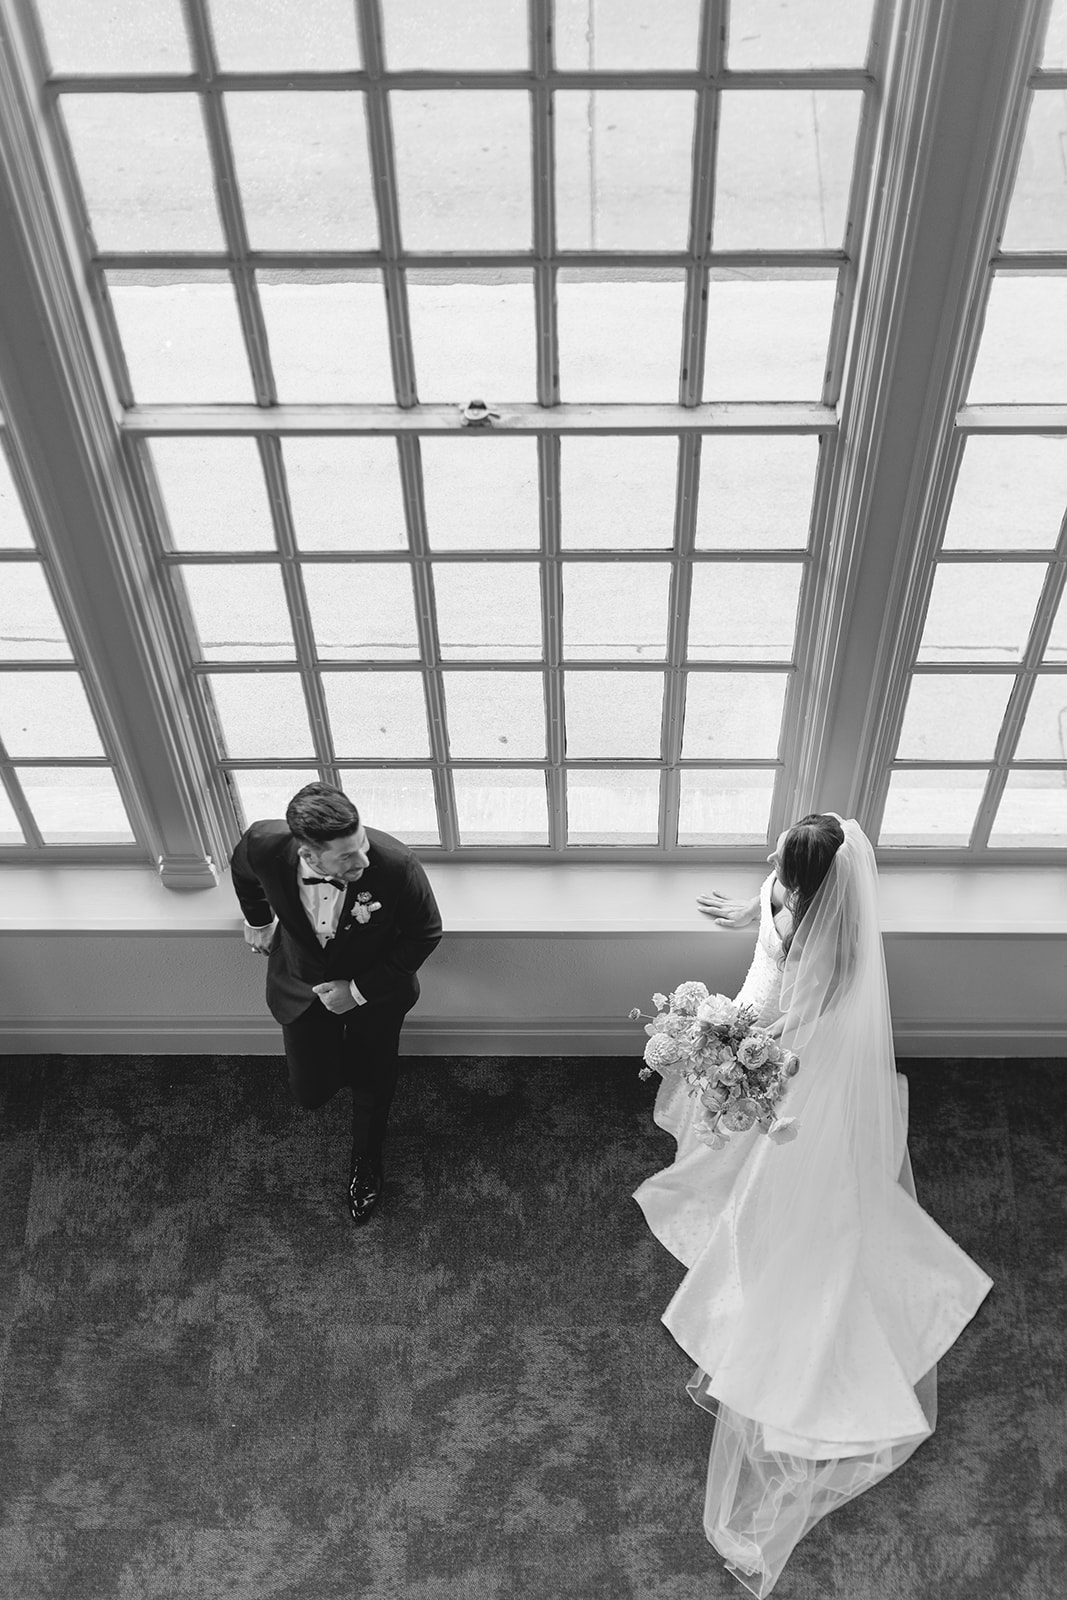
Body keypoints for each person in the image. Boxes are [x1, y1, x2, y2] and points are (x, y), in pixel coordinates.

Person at [634, 814, 993, 1596]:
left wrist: (735, 1040)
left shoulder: (834, 937)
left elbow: (806, 1010)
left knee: (778, 1178)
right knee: (714, 1132)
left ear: (821, 884)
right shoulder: (795, 879)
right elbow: (768, 911)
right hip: (760, 1012)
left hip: (795, 1043)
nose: (778, 876)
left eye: (789, 878)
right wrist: (749, 912)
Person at [231, 782, 442, 1225]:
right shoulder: (265, 844)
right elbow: (244, 871)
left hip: (375, 995)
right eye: (346, 857)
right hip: (300, 986)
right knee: (310, 1092)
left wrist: (358, 991)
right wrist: (259, 920)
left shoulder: (397, 865)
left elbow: (425, 934)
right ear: (309, 855)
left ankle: (367, 1159)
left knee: (374, 1079)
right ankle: (339, 1068)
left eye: (361, 845)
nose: (361, 861)